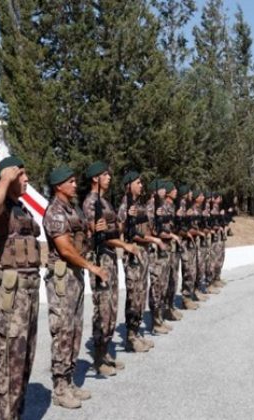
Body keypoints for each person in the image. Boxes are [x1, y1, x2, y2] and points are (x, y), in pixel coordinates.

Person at [42, 165, 108, 409]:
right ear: (59, 186)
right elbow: (65, 249)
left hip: (75, 275)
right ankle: (60, 389)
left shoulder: (73, 209)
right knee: (62, 331)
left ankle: (69, 382)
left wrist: (93, 230)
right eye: (69, 181)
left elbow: (81, 238)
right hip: (62, 277)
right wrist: (92, 267)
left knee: (75, 330)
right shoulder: (55, 212)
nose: (74, 184)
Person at [0, 156, 41, 419]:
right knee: (10, 363)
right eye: (22, 174)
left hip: (30, 292)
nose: (26, 179)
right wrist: (6, 177)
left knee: (25, 360)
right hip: (13, 295)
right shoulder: (1, 209)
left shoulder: (23, 209)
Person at [82, 161, 137, 376]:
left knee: (112, 308)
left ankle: (105, 353)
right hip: (100, 259)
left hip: (111, 259)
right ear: (95, 178)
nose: (109, 178)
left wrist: (125, 219)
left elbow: (115, 230)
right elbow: (97, 236)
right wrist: (124, 245)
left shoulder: (104, 202)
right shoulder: (90, 203)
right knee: (102, 309)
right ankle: (98, 358)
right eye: (105, 175)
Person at [117, 171, 157, 352]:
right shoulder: (125, 206)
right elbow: (121, 231)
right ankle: (130, 337)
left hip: (142, 254)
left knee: (141, 294)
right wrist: (125, 216)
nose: (141, 185)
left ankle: (137, 331)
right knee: (134, 296)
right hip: (133, 256)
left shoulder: (139, 205)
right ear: (129, 185)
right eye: (138, 182)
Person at [145, 179, 177, 334]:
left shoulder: (162, 207)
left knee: (163, 285)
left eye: (165, 188)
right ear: (154, 191)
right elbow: (150, 230)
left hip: (164, 248)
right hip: (156, 251)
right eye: (162, 188)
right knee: (157, 286)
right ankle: (155, 322)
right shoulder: (151, 206)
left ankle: (160, 318)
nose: (165, 191)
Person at [163, 180, 185, 321]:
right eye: (174, 189)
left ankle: (170, 307)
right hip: (168, 247)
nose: (176, 191)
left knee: (174, 278)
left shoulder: (173, 206)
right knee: (167, 280)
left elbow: (175, 227)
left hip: (174, 247)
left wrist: (179, 218)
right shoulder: (164, 207)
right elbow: (164, 229)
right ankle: (165, 310)